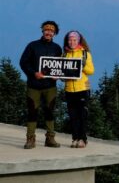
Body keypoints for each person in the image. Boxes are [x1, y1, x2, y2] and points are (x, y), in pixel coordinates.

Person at [20, 21, 62, 149]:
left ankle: (50, 138)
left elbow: (61, 65)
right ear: (42, 31)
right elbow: (23, 62)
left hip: (50, 86)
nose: (48, 32)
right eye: (46, 30)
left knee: (50, 111)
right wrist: (33, 73)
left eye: (51, 31)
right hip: (34, 85)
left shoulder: (57, 48)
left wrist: (58, 75)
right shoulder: (32, 46)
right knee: (32, 112)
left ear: (54, 33)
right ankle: (30, 139)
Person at [63, 30, 94, 148]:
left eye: (74, 40)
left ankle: (83, 139)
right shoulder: (64, 54)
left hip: (82, 89)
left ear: (79, 41)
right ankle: (75, 138)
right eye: (70, 40)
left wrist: (82, 65)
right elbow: (62, 72)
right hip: (69, 89)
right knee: (72, 116)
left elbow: (91, 71)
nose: (72, 42)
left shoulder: (85, 54)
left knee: (82, 115)